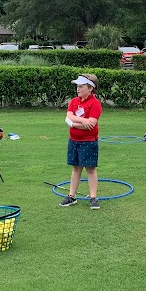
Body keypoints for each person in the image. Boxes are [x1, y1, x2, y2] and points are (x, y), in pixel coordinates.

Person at [60, 73, 103, 210]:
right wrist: (81, 122)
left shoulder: (95, 103)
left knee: (90, 169)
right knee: (76, 168)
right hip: (74, 141)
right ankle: (71, 196)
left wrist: (73, 123)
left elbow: (92, 123)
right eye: (77, 86)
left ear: (90, 88)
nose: (78, 89)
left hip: (89, 141)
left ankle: (93, 198)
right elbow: (69, 117)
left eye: (81, 86)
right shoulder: (74, 101)